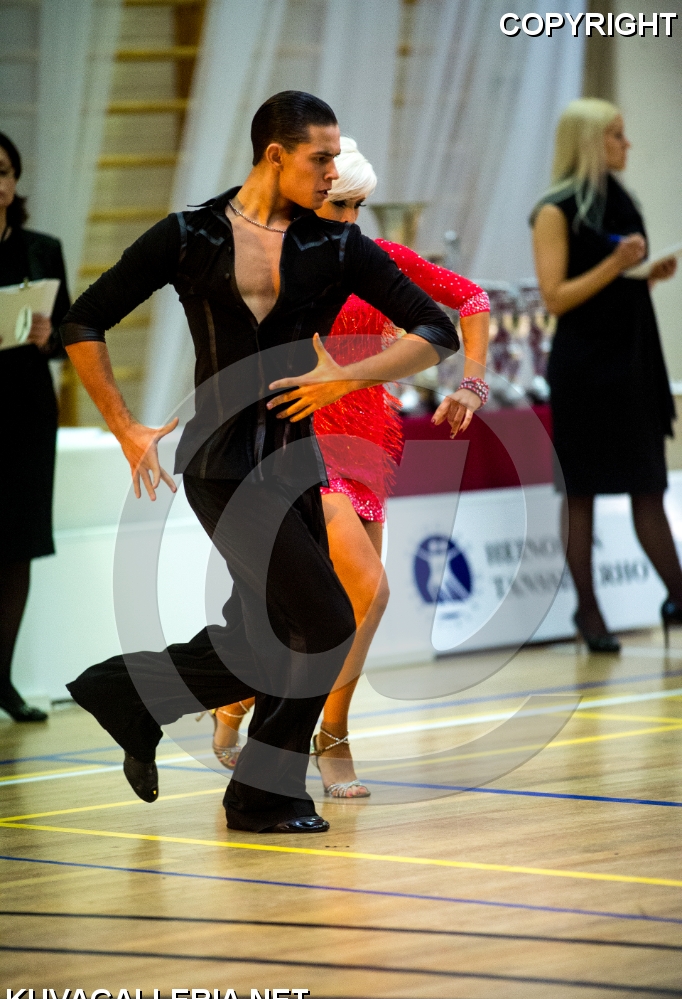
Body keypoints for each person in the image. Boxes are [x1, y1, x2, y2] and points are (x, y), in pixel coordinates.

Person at [61, 92, 461, 834]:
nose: (333, 172)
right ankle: (261, 792)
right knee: (325, 621)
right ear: (275, 155)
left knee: (263, 636)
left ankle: (126, 693)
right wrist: (124, 427)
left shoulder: (336, 246)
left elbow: (437, 331)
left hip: (296, 466)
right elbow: (83, 317)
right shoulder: (188, 235)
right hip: (221, 463)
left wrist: (347, 378)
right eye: (321, 158)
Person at [213, 138, 490, 798]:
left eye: (359, 206)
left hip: (372, 447)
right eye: (339, 205)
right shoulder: (270, 263)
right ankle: (329, 734)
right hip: (302, 442)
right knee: (370, 592)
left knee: (337, 609)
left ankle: (241, 697)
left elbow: (472, 299)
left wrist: (472, 384)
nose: (349, 220)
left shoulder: (377, 258)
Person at [531, 98, 680, 652]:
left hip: (634, 362)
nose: (627, 143)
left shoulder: (621, 200)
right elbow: (555, 297)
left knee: (649, 487)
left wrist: (646, 275)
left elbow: (612, 285)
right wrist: (616, 266)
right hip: (586, 371)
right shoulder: (555, 210)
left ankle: (678, 597)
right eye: (616, 134)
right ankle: (588, 612)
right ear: (590, 142)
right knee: (582, 495)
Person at [0, 132, 70, 722]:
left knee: (17, 547)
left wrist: (51, 338)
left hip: (24, 412)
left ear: (15, 181)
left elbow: (72, 336)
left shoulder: (42, 250)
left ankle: (4, 680)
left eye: (2, 171)